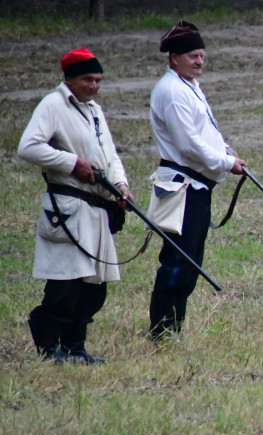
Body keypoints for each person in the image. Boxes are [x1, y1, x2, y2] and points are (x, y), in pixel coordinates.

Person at [17, 47, 133, 363]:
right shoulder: (52, 105)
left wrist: (120, 185)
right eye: (87, 79)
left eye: (97, 80)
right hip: (68, 206)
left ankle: (75, 346)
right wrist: (71, 163)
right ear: (68, 78)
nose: (94, 86)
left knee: (94, 288)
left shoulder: (94, 109)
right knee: (65, 287)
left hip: (97, 208)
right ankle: (48, 344)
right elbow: (28, 147)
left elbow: (110, 154)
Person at [148, 21, 245, 340]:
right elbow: (188, 144)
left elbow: (203, 131)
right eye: (193, 55)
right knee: (178, 262)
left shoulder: (188, 85)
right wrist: (226, 162)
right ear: (174, 58)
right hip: (182, 187)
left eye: (202, 55)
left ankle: (173, 327)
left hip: (197, 186)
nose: (200, 61)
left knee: (189, 263)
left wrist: (223, 146)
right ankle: (162, 331)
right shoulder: (173, 91)